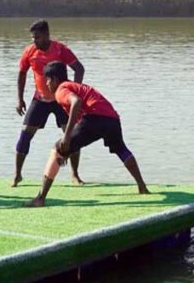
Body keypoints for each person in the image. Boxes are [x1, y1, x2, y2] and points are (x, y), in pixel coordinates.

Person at [24, 62, 149, 207]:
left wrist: (67, 136)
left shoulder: (61, 89)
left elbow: (76, 102)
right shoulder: (73, 86)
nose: (46, 83)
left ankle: (40, 198)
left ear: (56, 79)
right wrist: (69, 149)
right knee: (121, 149)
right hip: (112, 118)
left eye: (48, 79)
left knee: (57, 149)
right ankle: (142, 186)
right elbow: (81, 126)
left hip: (94, 116)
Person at [14, 20, 85, 187]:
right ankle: (17, 175)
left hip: (61, 100)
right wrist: (20, 98)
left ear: (46, 35)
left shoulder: (60, 49)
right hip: (40, 99)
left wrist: (74, 91)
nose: (34, 41)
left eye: (37, 37)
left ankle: (75, 174)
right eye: (33, 37)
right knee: (25, 135)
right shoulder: (30, 51)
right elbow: (22, 73)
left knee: (73, 136)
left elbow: (79, 69)